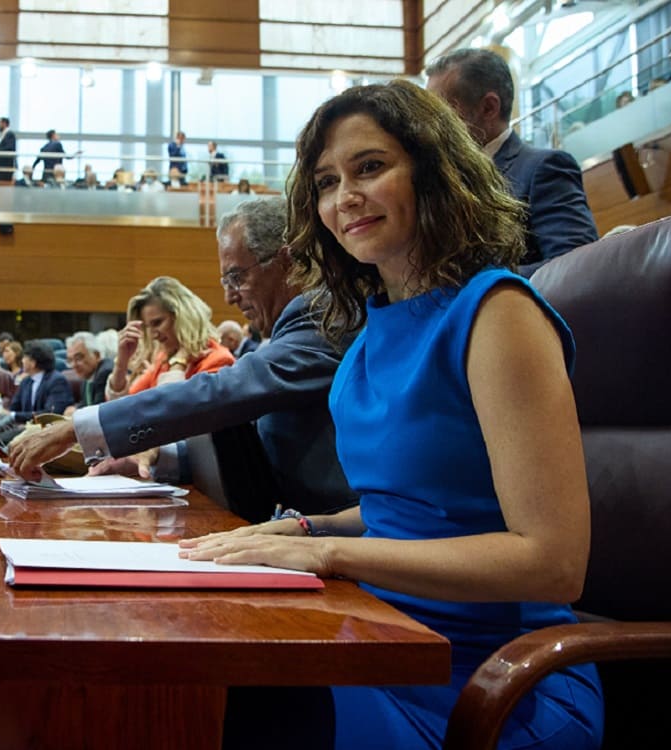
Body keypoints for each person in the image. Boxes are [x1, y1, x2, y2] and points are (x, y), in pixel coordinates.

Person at [180, 81, 602, 750]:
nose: (344, 195)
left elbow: (551, 563)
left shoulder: (498, 314)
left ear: (434, 172)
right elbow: (407, 510)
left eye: (370, 167)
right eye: (326, 181)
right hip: (385, 634)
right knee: (209, 669)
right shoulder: (373, 328)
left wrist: (330, 553)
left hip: (496, 681)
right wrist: (304, 528)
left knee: (240, 704)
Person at [9, 197, 357, 517]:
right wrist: (157, 461)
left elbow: (220, 394)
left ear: (286, 262)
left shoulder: (323, 317)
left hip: (336, 537)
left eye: (236, 277)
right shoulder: (295, 325)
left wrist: (75, 429)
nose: (230, 297)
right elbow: (251, 446)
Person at [426, 48, 598, 275]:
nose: (431, 127)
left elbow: (576, 265)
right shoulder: (439, 182)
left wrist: (477, 288)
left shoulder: (543, 168)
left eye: (442, 114)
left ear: (489, 107)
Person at [106, 276, 234, 400]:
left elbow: (170, 407)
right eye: (148, 327)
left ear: (183, 317)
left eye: (157, 323)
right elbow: (122, 405)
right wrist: (122, 362)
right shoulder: (164, 358)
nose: (153, 335)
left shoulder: (219, 360)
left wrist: (178, 362)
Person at [9, 340, 74, 422]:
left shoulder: (57, 381)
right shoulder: (25, 382)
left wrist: (14, 416)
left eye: (24, 357)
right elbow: (13, 409)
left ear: (33, 363)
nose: (22, 361)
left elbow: (50, 414)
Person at [63, 331, 112, 413]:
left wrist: (76, 411)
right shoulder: (87, 374)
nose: (74, 365)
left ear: (97, 355)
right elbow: (85, 403)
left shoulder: (105, 373)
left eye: (78, 358)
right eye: (70, 360)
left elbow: (97, 411)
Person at [0, 116, 17, 182]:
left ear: (4, 123)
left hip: (6, 165)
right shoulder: (5, 134)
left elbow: (9, 148)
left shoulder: (9, 134)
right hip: (2, 166)